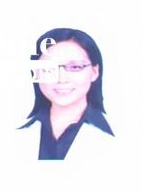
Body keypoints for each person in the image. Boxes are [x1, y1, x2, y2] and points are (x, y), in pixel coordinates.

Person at [20, 27, 114, 160]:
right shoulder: (11, 136)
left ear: (94, 72)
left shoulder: (124, 137)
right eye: (49, 68)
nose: (61, 79)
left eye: (74, 67)